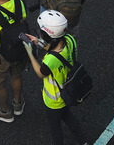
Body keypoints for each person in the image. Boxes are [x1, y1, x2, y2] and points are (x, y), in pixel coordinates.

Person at [22, 10, 89, 145]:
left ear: (47, 35)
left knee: (55, 127)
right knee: (67, 116)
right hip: (68, 91)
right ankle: (83, 142)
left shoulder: (50, 60)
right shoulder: (70, 40)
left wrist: (30, 53)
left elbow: (41, 73)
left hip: (54, 99)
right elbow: (56, 48)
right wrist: (39, 42)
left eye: (42, 32)